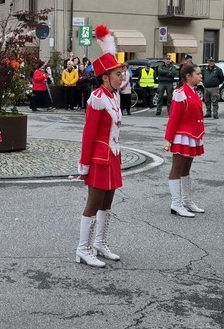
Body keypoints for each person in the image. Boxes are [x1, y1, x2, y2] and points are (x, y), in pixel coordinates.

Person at [76, 25, 124, 268]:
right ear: (105, 76)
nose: (122, 77)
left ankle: (100, 243)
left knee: (108, 203)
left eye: (121, 73)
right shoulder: (97, 98)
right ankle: (82, 249)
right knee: (93, 204)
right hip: (98, 157)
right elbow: (88, 134)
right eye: (117, 74)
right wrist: (84, 165)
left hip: (113, 156)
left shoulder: (114, 95)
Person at [163, 63, 205, 218]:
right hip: (182, 136)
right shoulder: (180, 93)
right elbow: (173, 118)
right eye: (198, 74)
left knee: (186, 169)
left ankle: (187, 200)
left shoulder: (194, 92)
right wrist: (168, 139)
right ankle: (176, 203)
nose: (201, 76)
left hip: (193, 135)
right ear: (188, 76)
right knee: (177, 168)